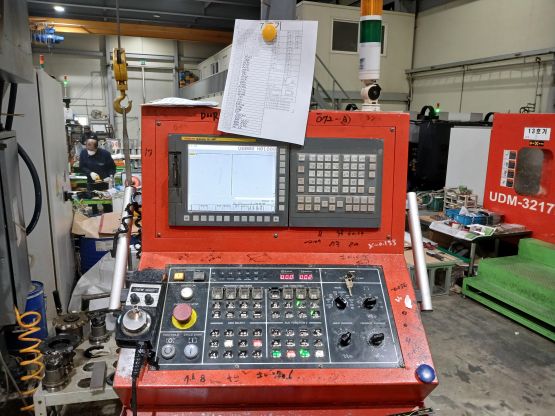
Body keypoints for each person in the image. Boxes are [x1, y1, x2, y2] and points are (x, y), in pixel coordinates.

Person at [79, 137, 116, 214]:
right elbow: (82, 167)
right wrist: (90, 173)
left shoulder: (105, 154)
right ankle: (94, 216)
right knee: (93, 203)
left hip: (104, 183)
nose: (89, 152)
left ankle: (108, 216)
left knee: (106, 203)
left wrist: (110, 176)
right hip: (91, 183)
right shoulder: (83, 153)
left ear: (96, 147)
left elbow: (112, 167)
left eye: (92, 150)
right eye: (88, 150)